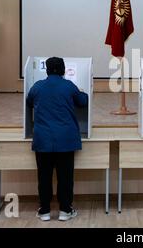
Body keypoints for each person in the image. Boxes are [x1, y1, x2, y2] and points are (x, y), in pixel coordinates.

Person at [26, 57, 88, 222]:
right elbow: (83, 102)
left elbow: (29, 101)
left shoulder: (38, 86)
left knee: (44, 177)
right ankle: (65, 210)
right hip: (65, 140)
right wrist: (82, 92)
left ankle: (45, 210)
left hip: (43, 139)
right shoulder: (68, 86)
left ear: (46, 70)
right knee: (65, 177)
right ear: (62, 70)